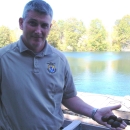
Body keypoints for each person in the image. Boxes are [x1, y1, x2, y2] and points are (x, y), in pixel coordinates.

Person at [0, 0, 127, 130]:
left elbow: (68, 96)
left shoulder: (59, 59)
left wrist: (94, 112)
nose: (38, 31)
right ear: (21, 23)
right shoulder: (3, 58)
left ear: (50, 27)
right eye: (33, 23)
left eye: (44, 25)